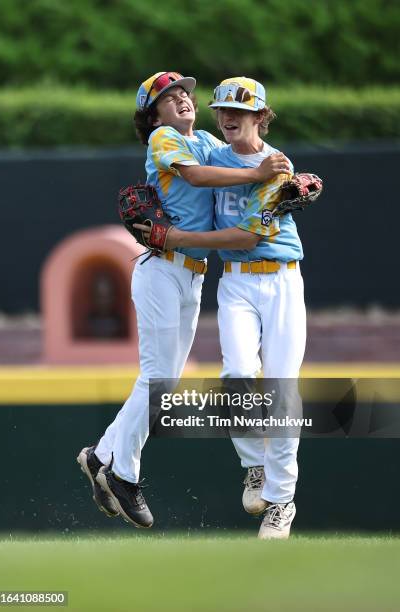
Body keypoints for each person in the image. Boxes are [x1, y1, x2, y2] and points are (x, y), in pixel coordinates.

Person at [77, 72, 290, 528]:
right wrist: (257, 172)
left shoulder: (210, 138)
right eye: (169, 97)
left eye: (185, 94)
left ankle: (102, 456)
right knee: (157, 378)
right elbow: (197, 175)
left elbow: (243, 160)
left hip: (193, 275)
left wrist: (285, 174)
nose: (182, 100)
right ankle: (123, 474)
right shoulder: (163, 137)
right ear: (152, 114)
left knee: (164, 384)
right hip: (161, 269)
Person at [138, 77, 306, 539]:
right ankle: (256, 468)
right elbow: (188, 171)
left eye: (241, 110)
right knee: (235, 375)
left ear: (261, 116)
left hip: (282, 282)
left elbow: (248, 237)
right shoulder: (212, 150)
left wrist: (178, 239)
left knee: (281, 390)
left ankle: (282, 502)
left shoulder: (278, 166)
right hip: (234, 284)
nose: (228, 116)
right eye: (222, 109)